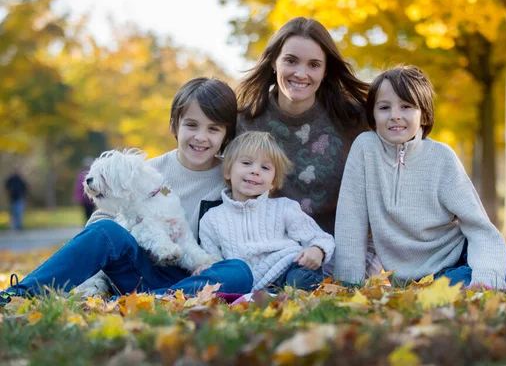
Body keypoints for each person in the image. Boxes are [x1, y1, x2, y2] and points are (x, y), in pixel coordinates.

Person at [0, 77, 253, 306]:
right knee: (106, 230)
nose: (201, 137)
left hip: (193, 278)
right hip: (137, 269)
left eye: (213, 129)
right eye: (191, 125)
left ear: (226, 134)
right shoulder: (146, 171)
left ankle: (156, 299)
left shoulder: (232, 179)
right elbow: (101, 222)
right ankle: (19, 294)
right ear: (174, 125)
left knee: (239, 272)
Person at [334, 65, 506, 289]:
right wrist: (348, 284)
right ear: (372, 113)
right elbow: (350, 220)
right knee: (450, 286)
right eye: (384, 107)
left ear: (424, 114)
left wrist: (487, 275)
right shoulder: (365, 149)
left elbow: (478, 226)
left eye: (406, 106)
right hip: (421, 279)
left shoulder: (441, 157)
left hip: (469, 253)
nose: (395, 116)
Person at [236, 16, 380, 277]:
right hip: (272, 254)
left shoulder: (354, 119)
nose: (301, 74)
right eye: (290, 61)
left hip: (343, 250)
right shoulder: (245, 122)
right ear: (273, 61)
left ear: (325, 71)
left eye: (314, 65)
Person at [199, 131, 335, 291]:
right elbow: (213, 260)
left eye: (265, 167)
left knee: (302, 276)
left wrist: (317, 250)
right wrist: (205, 266)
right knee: (222, 280)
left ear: (272, 182)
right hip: (246, 282)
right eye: (246, 163)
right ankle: (269, 297)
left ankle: (286, 295)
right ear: (228, 171)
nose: (255, 171)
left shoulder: (285, 207)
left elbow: (319, 237)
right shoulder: (212, 219)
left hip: (287, 267)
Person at [73, 156, 96, 223]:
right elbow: (79, 188)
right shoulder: (82, 175)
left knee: (90, 214)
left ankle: (89, 224)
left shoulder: (92, 174)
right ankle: (88, 224)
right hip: (85, 199)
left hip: (91, 198)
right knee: (88, 214)